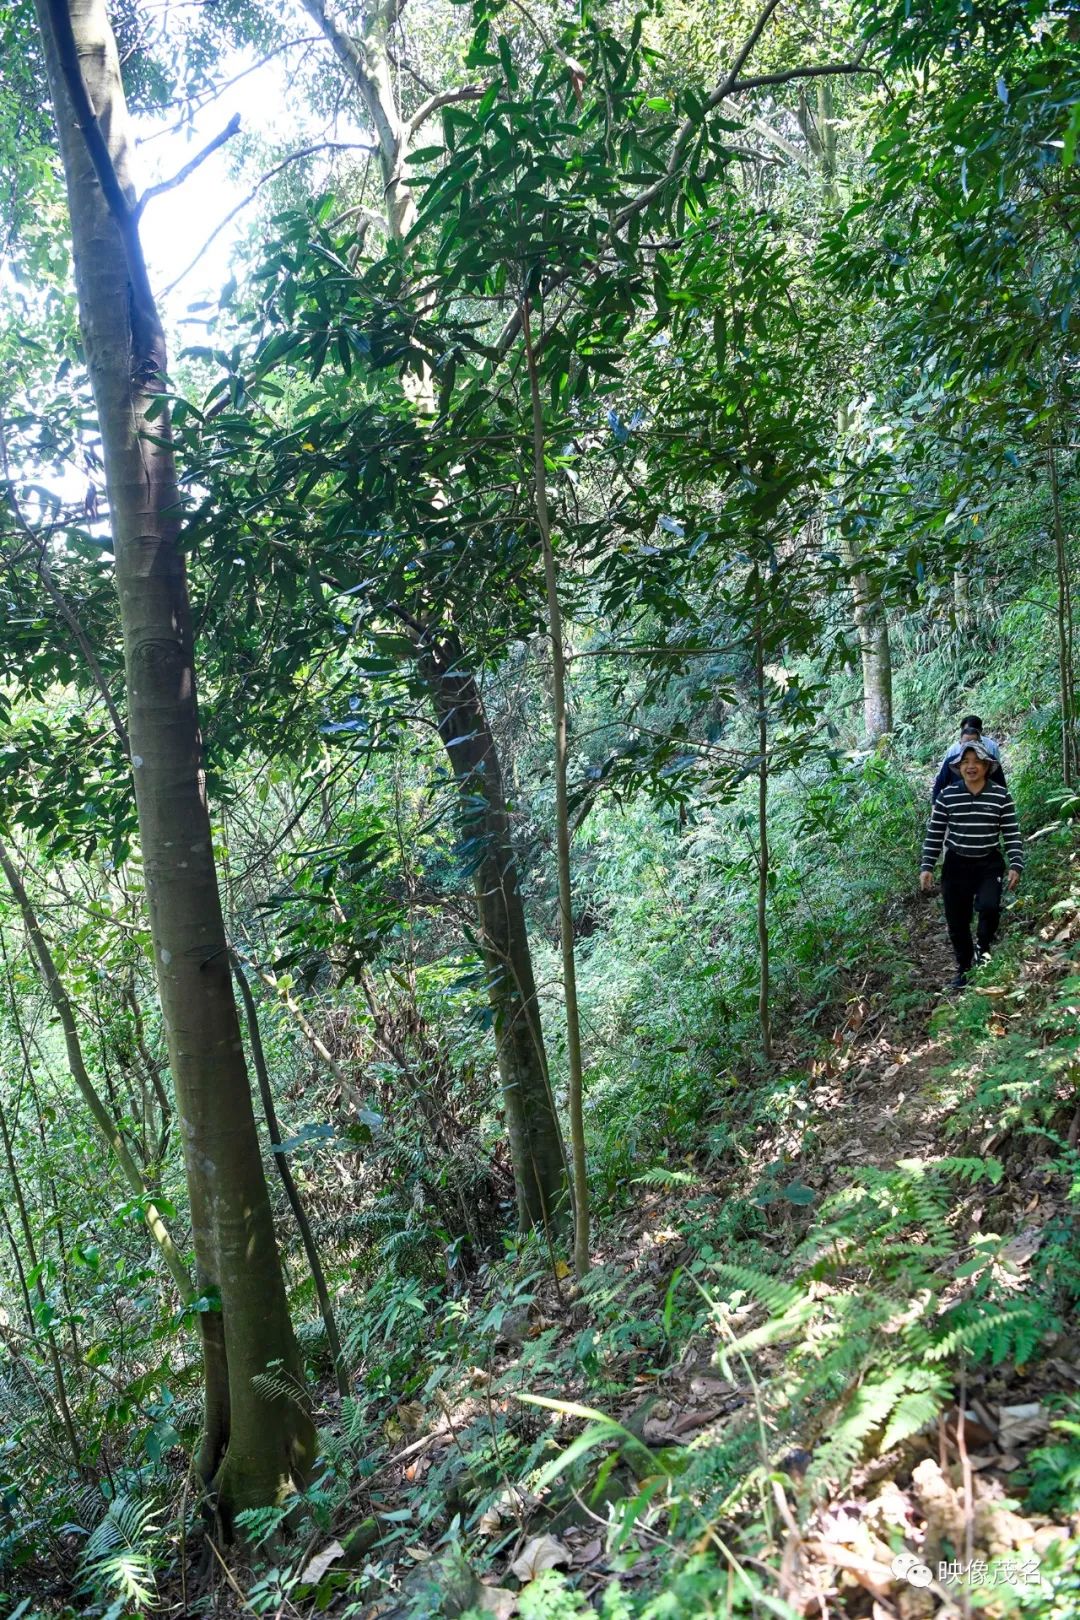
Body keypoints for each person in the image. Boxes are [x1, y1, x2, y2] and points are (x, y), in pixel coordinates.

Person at [920, 741, 1023, 990]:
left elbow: (1011, 832)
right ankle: (965, 968)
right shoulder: (947, 796)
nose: (970, 766)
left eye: (976, 762)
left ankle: (983, 948)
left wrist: (1016, 863)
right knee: (957, 921)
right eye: (965, 762)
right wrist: (927, 866)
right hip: (956, 864)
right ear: (958, 767)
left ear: (987, 766)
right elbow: (935, 833)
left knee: (989, 907)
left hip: (988, 862)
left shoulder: (1000, 795)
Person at [931, 714, 1005, 801]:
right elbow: (941, 783)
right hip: (958, 802)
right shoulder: (951, 756)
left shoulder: (991, 756)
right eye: (966, 742)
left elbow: (1001, 785)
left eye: (973, 742)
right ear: (960, 742)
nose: (970, 745)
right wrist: (935, 805)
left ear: (979, 741)